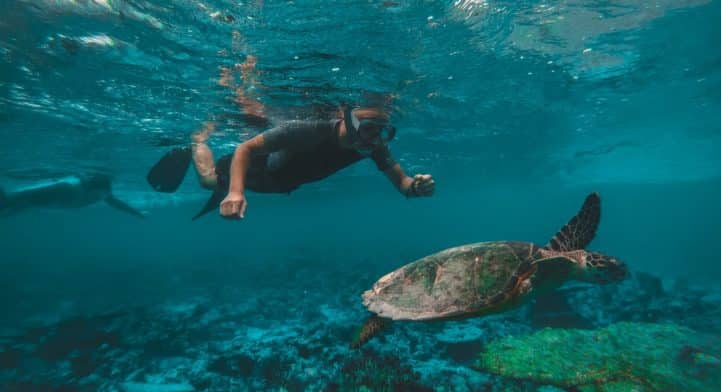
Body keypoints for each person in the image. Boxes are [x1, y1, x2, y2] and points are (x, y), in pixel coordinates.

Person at [148, 105, 436, 219]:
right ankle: (197, 141)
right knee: (208, 181)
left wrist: (415, 187)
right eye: (369, 129)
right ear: (348, 121)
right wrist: (236, 191)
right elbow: (245, 148)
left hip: (284, 182)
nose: (373, 140)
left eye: (382, 132)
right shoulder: (307, 130)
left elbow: (402, 182)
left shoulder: (373, 145)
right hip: (259, 168)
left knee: (214, 185)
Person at [1, 173, 145, 218]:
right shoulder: (67, 190)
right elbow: (29, 200)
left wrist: (136, 213)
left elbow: (115, 202)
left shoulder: (102, 193)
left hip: (23, 201)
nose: (104, 196)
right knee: (7, 202)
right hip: (17, 199)